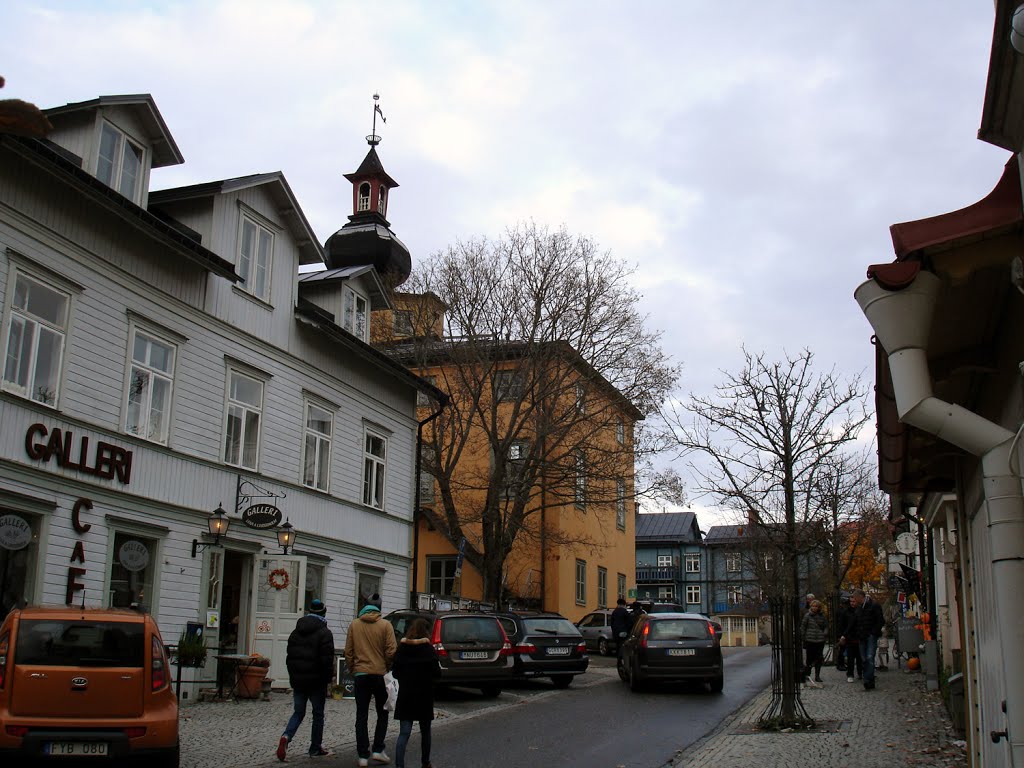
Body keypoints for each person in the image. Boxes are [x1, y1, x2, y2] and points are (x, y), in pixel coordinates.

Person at [277, 598, 335, 761]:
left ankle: (286, 736)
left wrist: (293, 676)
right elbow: (326, 660)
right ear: (323, 612)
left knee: (298, 712)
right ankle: (315, 748)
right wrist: (327, 679)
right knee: (318, 714)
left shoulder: (296, 632)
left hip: (299, 680)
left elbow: (290, 657)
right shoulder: (325, 633)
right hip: (317, 682)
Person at [345, 598, 398, 767]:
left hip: (361, 674)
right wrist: (387, 666)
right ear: (379, 609)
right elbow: (391, 651)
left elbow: (348, 651)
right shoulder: (386, 625)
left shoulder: (354, 625)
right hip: (380, 674)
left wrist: (353, 669)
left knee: (361, 714)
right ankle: (378, 749)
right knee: (382, 712)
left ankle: (362, 755)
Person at [391, 618, 441, 768]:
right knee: (425, 732)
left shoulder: (402, 648)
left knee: (404, 733)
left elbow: (395, 673)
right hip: (424, 696)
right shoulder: (428, 650)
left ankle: (399, 765)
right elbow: (437, 674)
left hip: (406, 695)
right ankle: (425, 762)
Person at [852, 588, 884, 690]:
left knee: (870, 657)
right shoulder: (859, 608)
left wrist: (874, 632)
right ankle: (870, 680)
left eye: (854, 598)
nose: (854, 600)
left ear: (859, 597)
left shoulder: (874, 606)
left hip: (870, 635)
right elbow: (855, 622)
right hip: (862, 636)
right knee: (864, 659)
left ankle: (867, 679)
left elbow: (880, 620)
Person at [799, 599, 828, 686]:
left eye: (816, 606)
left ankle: (817, 675)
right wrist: (803, 637)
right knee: (809, 659)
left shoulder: (822, 616)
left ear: (819, 607)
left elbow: (826, 626)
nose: (814, 608)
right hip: (810, 639)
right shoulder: (807, 616)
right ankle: (808, 674)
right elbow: (803, 627)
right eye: (813, 606)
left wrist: (824, 633)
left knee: (819, 658)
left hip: (819, 640)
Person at [838, 596, 863, 683]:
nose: (852, 603)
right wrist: (843, 635)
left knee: (860, 657)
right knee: (850, 658)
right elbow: (842, 625)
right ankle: (850, 674)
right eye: (851, 601)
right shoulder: (846, 612)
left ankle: (860, 673)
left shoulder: (861, 610)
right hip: (849, 637)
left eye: (854, 601)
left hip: (859, 637)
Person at [834, 596, 851, 672]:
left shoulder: (840, 611)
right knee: (842, 649)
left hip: (841, 632)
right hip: (842, 632)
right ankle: (840, 664)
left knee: (842, 648)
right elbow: (841, 624)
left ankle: (840, 664)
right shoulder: (842, 611)